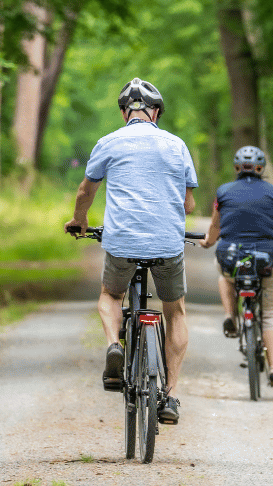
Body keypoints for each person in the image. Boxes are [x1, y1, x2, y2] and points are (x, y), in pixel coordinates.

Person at [64, 77, 198, 424]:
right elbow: (189, 202)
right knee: (176, 311)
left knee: (111, 295)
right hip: (168, 243)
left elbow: (85, 193)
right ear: (156, 112)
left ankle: (114, 345)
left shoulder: (109, 142)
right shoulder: (176, 145)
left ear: (125, 112)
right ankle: (170, 395)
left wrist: (80, 221)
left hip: (122, 240)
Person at [199, 146, 273, 387]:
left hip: (231, 257)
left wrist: (208, 242)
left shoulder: (223, 192)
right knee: (271, 313)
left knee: (224, 274)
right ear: (261, 168)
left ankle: (230, 315)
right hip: (265, 259)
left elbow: (215, 228)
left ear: (236, 168)